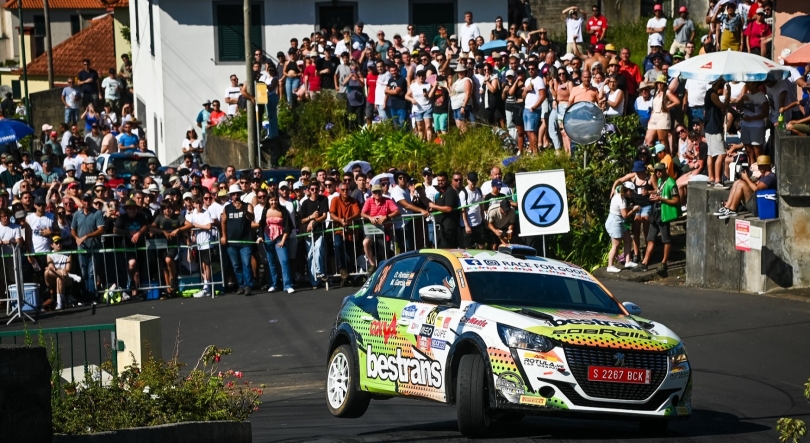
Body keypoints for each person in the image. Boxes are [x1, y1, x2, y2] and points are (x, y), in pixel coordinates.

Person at [634, 163, 680, 274]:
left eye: (660, 170)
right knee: (650, 238)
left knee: (666, 239)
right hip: (656, 213)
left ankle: (664, 263)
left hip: (664, 214)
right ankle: (645, 263)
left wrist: (661, 199)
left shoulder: (671, 183)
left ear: (665, 170)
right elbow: (658, 192)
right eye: (656, 171)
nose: (658, 173)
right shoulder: (659, 181)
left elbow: (676, 200)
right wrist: (651, 194)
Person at [221, 184, 255, 295]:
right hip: (232, 242)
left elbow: (252, 218)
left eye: (237, 194)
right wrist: (224, 235)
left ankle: (248, 285)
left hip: (245, 241)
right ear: (230, 196)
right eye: (233, 194)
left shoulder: (247, 205)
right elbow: (223, 222)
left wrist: (244, 210)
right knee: (236, 265)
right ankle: (240, 285)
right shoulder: (227, 208)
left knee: (246, 264)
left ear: (240, 194)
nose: (235, 196)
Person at [71, 193, 105, 301]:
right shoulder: (77, 214)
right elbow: (73, 229)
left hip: (94, 247)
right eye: (84, 200)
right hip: (81, 248)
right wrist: (76, 237)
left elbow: (101, 229)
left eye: (88, 200)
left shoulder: (97, 213)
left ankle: (92, 296)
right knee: (84, 272)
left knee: (91, 273)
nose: (86, 202)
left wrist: (86, 236)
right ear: (81, 201)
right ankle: (86, 295)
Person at [259, 191, 294, 293]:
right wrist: (260, 236)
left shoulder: (283, 210)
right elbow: (261, 225)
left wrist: (283, 240)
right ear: (268, 201)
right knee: (271, 262)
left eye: (275, 200)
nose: (274, 202)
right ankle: (273, 284)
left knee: (284, 261)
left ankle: (287, 285)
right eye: (271, 200)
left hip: (280, 237)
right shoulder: (265, 210)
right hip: (268, 237)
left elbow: (288, 227)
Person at [361, 183, 399, 274]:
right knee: (365, 243)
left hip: (385, 229)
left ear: (381, 192)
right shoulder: (369, 201)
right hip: (373, 228)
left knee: (384, 251)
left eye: (378, 191)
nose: (377, 194)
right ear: (372, 193)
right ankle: (372, 264)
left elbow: (397, 211)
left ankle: (385, 269)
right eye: (375, 192)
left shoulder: (388, 201)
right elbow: (362, 213)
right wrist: (370, 217)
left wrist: (386, 216)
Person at [605, 182, 641, 272]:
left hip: (619, 221)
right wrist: (634, 209)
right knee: (616, 245)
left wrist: (629, 207)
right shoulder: (622, 200)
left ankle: (628, 261)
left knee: (628, 240)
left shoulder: (619, 194)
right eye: (631, 191)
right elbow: (625, 215)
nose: (632, 193)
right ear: (627, 191)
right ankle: (610, 266)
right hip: (615, 222)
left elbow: (622, 210)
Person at [299, 181, 328, 289]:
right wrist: (311, 217)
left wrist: (315, 221)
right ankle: (314, 281)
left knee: (319, 248)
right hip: (308, 232)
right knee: (311, 255)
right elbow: (302, 220)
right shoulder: (305, 203)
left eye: (316, 189)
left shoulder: (323, 199)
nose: (315, 191)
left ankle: (319, 271)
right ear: (309, 190)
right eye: (312, 189)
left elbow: (324, 216)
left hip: (319, 231)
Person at [329, 182, 361, 283]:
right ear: (339, 190)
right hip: (338, 229)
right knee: (338, 245)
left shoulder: (353, 200)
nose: (345, 191)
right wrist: (340, 220)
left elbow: (358, 212)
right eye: (343, 190)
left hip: (350, 231)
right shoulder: (335, 200)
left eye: (347, 189)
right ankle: (341, 269)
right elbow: (332, 213)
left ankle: (349, 276)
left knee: (350, 254)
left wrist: (349, 219)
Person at [704, 78, 731, 186]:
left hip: (709, 127)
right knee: (721, 154)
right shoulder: (712, 94)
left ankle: (711, 178)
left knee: (711, 153)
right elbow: (722, 105)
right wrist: (728, 94)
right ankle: (717, 180)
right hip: (714, 127)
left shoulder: (709, 93)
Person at [646, 75, 680, 152]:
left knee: (662, 140)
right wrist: (651, 118)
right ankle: (652, 157)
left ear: (664, 84)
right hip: (654, 116)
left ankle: (665, 158)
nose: (659, 85)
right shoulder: (656, 92)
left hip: (663, 116)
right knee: (648, 139)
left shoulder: (667, 92)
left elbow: (677, 101)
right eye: (658, 83)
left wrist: (668, 106)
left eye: (661, 83)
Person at [44, 236, 80, 310]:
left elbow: (68, 268)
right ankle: (72, 276)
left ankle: (59, 303)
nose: (58, 244)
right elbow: (51, 267)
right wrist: (61, 271)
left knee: (59, 278)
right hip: (54, 278)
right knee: (47, 272)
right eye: (56, 243)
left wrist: (58, 270)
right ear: (52, 245)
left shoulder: (68, 253)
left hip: (65, 278)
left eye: (60, 242)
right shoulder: (49, 254)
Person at [427, 172, 460, 248]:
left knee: (447, 251)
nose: (440, 182)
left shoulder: (449, 192)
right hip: (441, 228)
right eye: (438, 180)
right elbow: (441, 207)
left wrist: (434, 205)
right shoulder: (442, 192)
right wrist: (434, 208)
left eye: (442, 180)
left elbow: (449, 208)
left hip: (448, 228)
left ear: (447, 180)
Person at [450, 65, 474, 132]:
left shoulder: (466, 80)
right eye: (458, 72)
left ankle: (465, 141)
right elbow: (452, 93)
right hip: (455, 106)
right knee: (459, 126)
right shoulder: (457, 81)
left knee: (463, 126)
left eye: (462, 71)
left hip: (461, 105)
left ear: (465, 72)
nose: (460, 73)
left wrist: (463, 106)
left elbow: (468, 94)